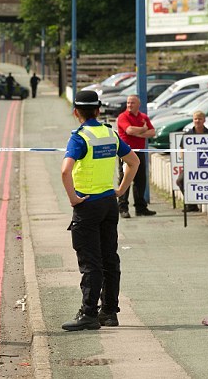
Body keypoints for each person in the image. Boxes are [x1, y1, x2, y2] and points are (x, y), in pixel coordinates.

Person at [61, 90, 139, 331]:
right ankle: (109, 312)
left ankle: (88, 313)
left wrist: (73, 198)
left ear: (76, 112)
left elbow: (65, 171)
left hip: (87, 205)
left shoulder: (79, 138)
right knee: (109, 258)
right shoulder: (110, 134)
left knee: (90, 261)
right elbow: (134, 161)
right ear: (98, 110)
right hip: (108, 204)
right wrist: (120, 190)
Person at [116, 95, 157, 218]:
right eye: (128, 103)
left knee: (140, 180)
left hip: (140, 152)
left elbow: (153, 132)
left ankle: (141, 207)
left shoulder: (143, 117)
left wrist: (138, 133)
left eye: (132, 103)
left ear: (138, 104)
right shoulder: (123, 116)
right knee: (125, 179)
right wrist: (143, 130)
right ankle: (123, 207)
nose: (129, 105)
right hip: (126, 152)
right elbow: (129, 131)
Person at [177, 111, 208, 212]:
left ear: (204, 120)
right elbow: (182, 149)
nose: (197, 121)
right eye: (195, 119)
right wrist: (185, 161)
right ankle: (191, 205)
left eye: (200, 119)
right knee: (180, 181)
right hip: (191, 166)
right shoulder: (187, 135)